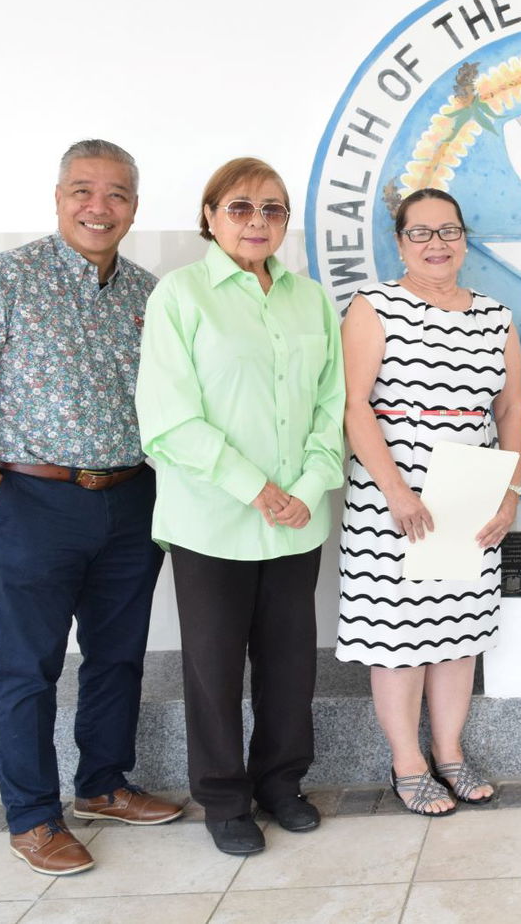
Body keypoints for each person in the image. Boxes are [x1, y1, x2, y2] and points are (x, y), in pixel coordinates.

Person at [0, 139, 181, 876]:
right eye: (83, 191)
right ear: (59, 197)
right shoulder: (2, 279)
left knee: (118, 657)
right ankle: (33, 818)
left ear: (134, 205)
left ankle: (103, 784)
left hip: (131, 499)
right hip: (29, 499)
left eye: (118, 194)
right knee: (28, 667)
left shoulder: (148, 294)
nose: (100, 208)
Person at [136, 157, 345, 855]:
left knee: (291, 663)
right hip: (212, 520)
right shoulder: (181, 295)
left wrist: (308, 490)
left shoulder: (309, 299)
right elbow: (166, 417)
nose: (258, 221)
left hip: (296, 521)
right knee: (214, 666)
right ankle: (224, 800)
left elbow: (330, 406)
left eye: (273, 209)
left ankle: (281, 784)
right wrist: (255, 488)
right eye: (242, 208)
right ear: (210, 215)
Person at [336, 188, 521, 815]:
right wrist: (395, 492)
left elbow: (511, 408)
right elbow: (354, 404)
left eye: (449, 230)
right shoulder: (373, 306)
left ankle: (448, 752)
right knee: (398, 633)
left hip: (470, 490)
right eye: (421, 233)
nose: (437, 244)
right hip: (393, 497)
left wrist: (511, 493)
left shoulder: (496, 317)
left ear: (465, 238)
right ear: (399, 242)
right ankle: (408, 763)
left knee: (457, 632)